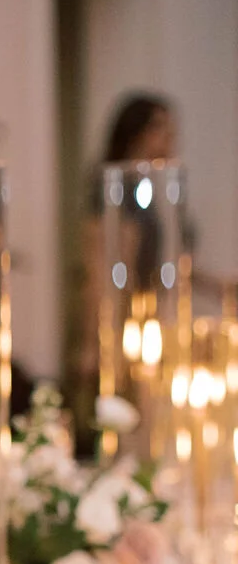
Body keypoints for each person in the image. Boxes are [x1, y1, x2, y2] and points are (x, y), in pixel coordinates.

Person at [69, 94, 182, 449]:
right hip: (127, 326)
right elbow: (105, 268)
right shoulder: (121, 190)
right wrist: (93, 341)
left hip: (151, 321)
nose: (170, 139)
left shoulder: (151, 189)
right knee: (124, 423)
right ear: (139, 133)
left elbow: (169, 261)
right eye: (162, 129)